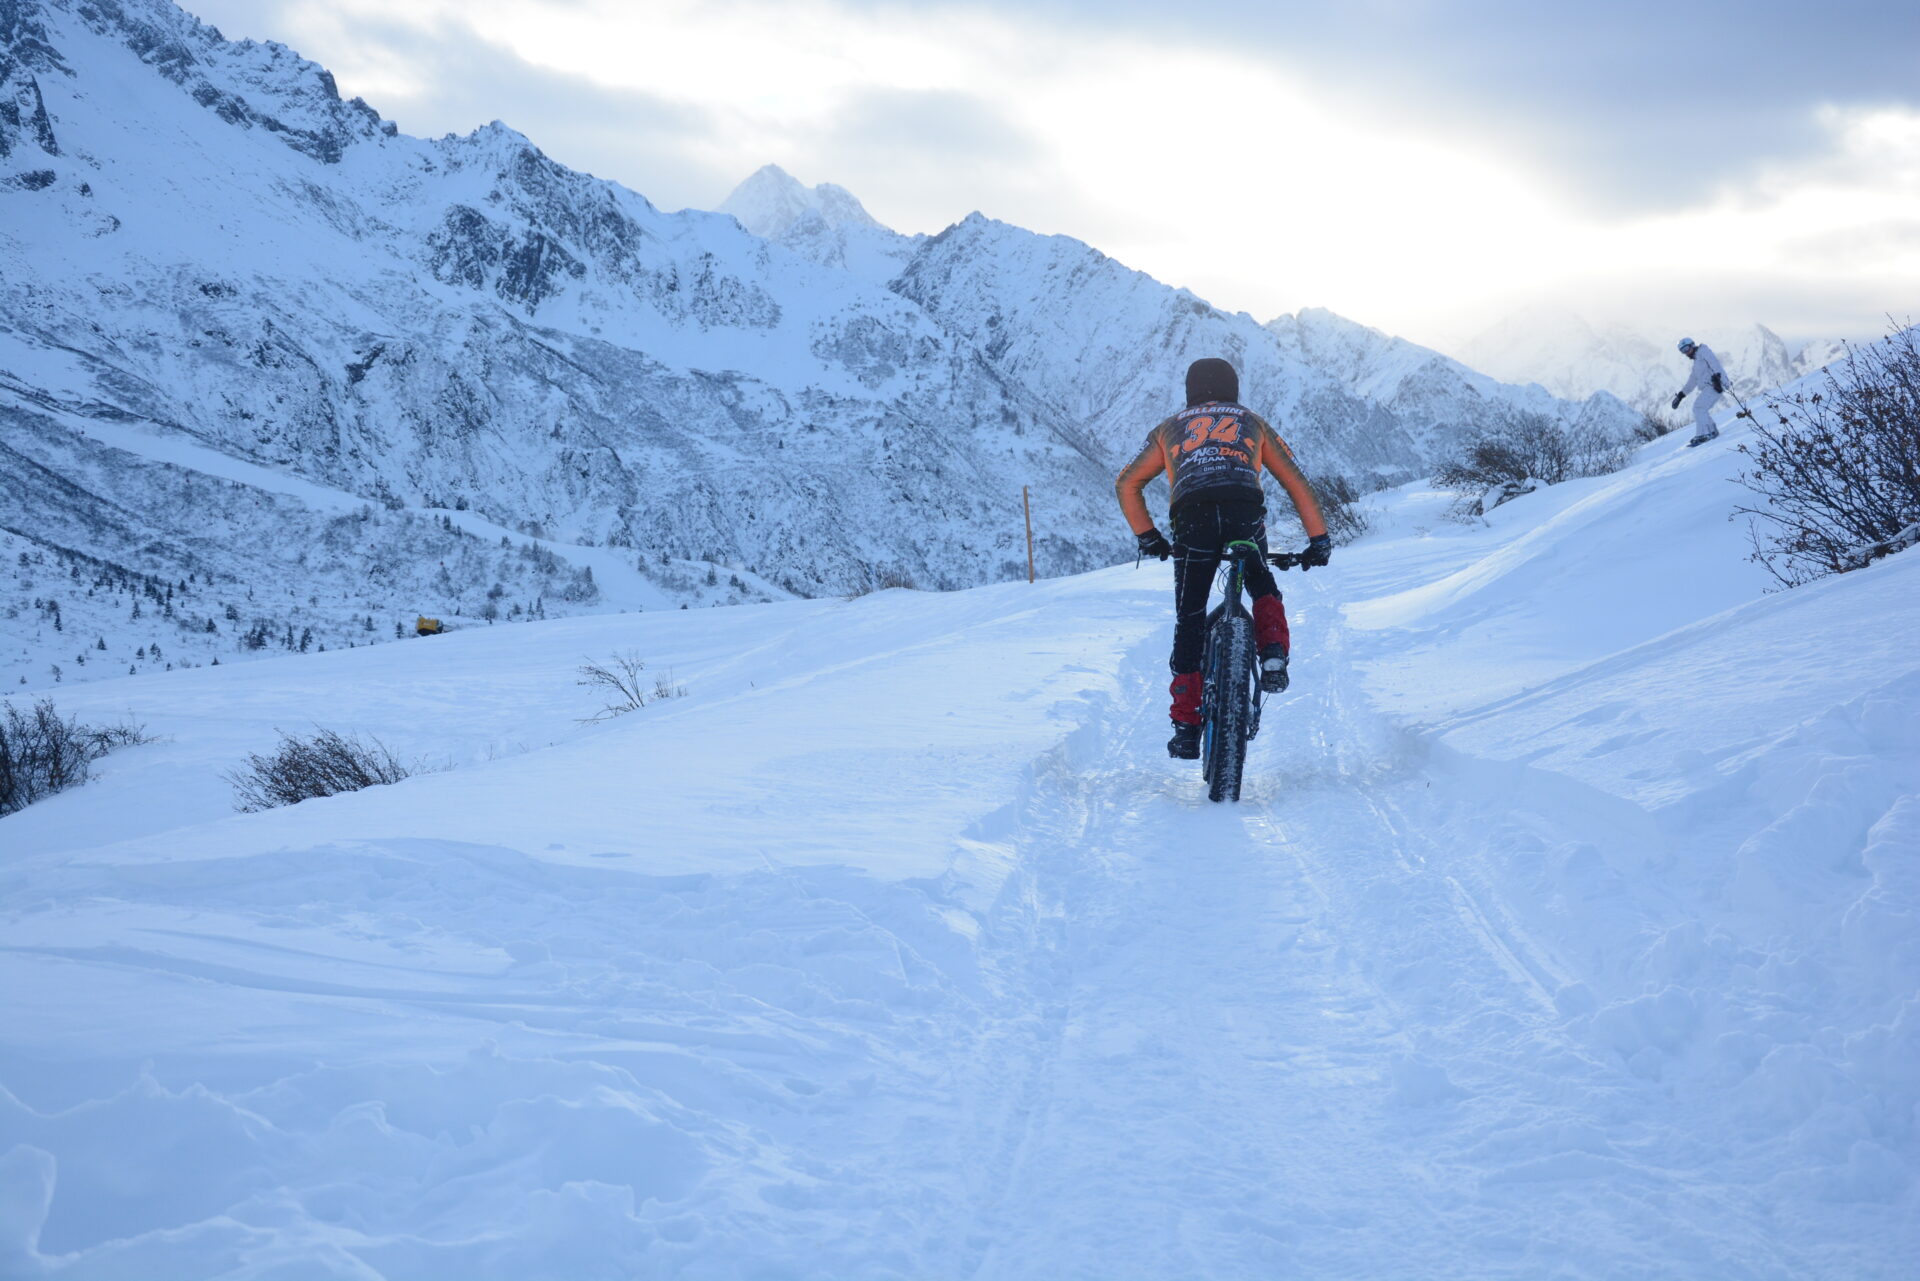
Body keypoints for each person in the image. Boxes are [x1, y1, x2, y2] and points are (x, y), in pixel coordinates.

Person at [1116, 357, 1331, 759]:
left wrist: (1149, 537)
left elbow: (1127, 483)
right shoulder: (1252, 421)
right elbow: (1296, 482)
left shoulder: (1168, 428)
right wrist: (1318, 540)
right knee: (1261, 581)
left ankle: (1185, 724)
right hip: (1242, 509)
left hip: (1192, 518)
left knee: (1191, 615)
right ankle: (1271, 655)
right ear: (1233, 387)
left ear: (1189, 390)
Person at [1672, 338, 1729, 447]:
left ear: (1692, 345)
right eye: (1683, 351)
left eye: (1687, 348)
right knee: (1700, 408)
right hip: (1710, 386)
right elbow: (1692, 381)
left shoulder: (1703, 351)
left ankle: (1706, 433)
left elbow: (1715, 363)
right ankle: (1711, 430)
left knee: (1698, 407)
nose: (1686, 352)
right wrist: (1681, 395)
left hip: (1715, 384)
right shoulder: (1696, 363)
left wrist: (1718, 377)